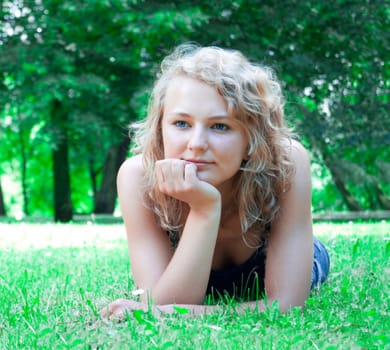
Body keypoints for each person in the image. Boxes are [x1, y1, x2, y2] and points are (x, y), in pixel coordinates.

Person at [101, 44, 330, 318]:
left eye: (220, 126)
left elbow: (286, 306)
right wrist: (205, 209)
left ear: (251, 137)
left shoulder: (286, 163)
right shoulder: (138, 176)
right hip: (189, 269)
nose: (196, 144)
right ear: (160, 128)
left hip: (279, 257)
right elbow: (161, 303)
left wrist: (181, 313)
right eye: (181, 124)